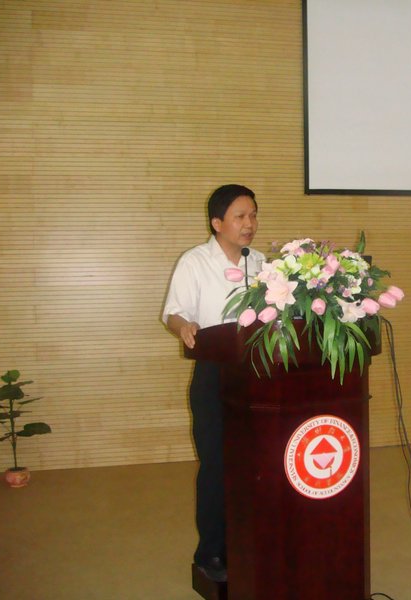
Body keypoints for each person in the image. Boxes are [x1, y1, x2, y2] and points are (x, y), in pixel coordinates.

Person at [162, 184, 265, 583]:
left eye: (253, 215)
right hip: (214, 374)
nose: (249, 224)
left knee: (256, 463)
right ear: (217, 223)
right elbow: (174, 311)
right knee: (217, 465)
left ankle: (251, 540)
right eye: (240, 216)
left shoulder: (261, 262)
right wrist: (184, 326)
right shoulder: (195, 261)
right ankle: (212, 552)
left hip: (258, 375)